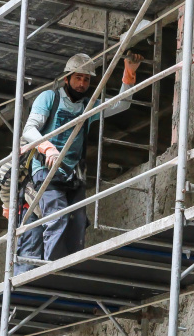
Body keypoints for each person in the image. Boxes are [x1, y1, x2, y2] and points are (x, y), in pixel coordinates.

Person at [21, 52, 143, 261]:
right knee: (57, 217)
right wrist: (48, 148)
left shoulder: (88, 107)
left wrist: (129, 74)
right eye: (78, 77)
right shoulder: (50, 98)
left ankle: (70, 266)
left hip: (72, 173)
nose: (82, 83)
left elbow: (121, 104)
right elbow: (29, 130)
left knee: (77, 222)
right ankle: (52, 269)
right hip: (46, 170)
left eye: (86, 79)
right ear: (66, 78)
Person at [0, 157, 43, 275]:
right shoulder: (28, 142)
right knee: (28, 256)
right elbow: (6, 172)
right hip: (30, 211)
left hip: (33, 210)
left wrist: (7, 205)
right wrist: (7, 205)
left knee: (29, 255)